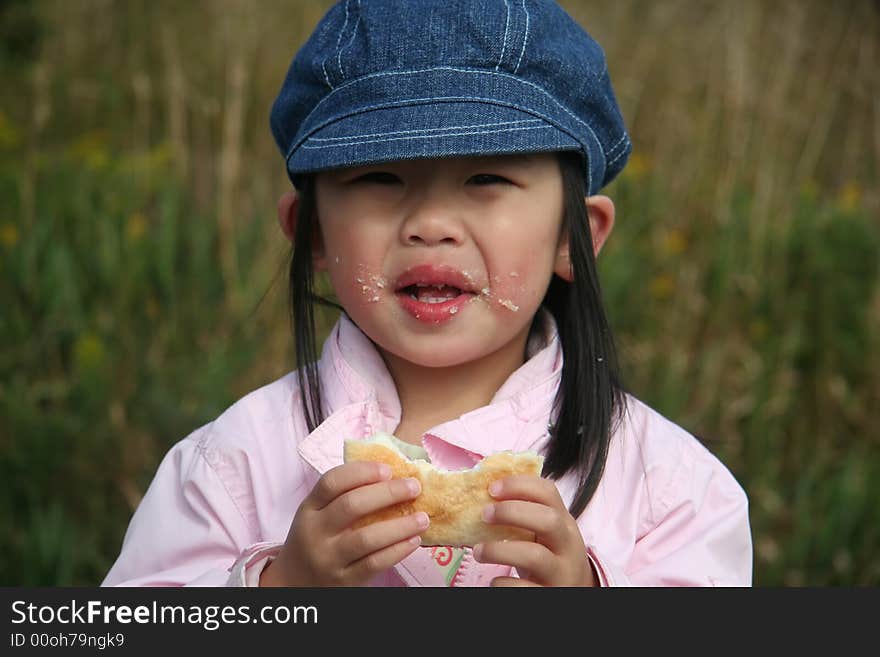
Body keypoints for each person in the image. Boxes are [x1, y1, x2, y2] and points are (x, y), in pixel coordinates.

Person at [102, 0, 752, 587]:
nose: (431, 224)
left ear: (573, 237)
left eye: (486, 176)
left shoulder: (669, 487)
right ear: (313, 235)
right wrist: (281, 588)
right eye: (382, 176)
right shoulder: (234, 462)